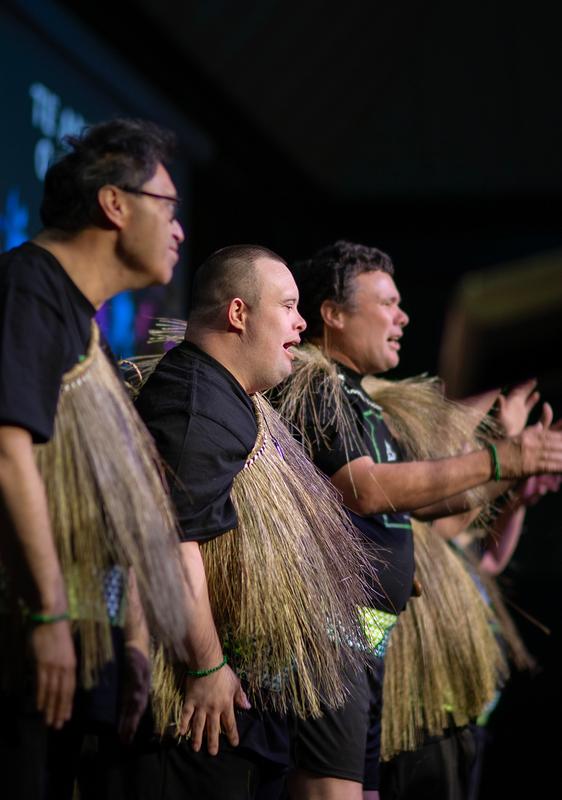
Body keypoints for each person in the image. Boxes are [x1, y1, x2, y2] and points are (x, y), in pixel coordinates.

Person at [274, 240, 562, 800]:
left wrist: (514, 463)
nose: (403, 316)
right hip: (328, 639)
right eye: (386, 302)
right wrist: (504, 458)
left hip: (368, 642)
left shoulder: (361, 402)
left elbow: (425, 504)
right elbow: (365, 489)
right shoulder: (314, 386)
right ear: (332, 314)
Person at [115, 244, 375, 800]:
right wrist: (207, 668)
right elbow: (167, 541)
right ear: (238, 314)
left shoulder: (230, 399)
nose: (301, 322)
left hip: (238, 717)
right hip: (197, 724)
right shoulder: (194, 406)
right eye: (288, 306)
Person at [0, 118, 188, 800]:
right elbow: (7, 450)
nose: (180, 230)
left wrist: (133, 643)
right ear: (114, 204)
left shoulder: (90, 332)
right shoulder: (30, 286)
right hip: (32, 649)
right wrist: (47, 617)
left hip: (91, 649)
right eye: (167, 207)